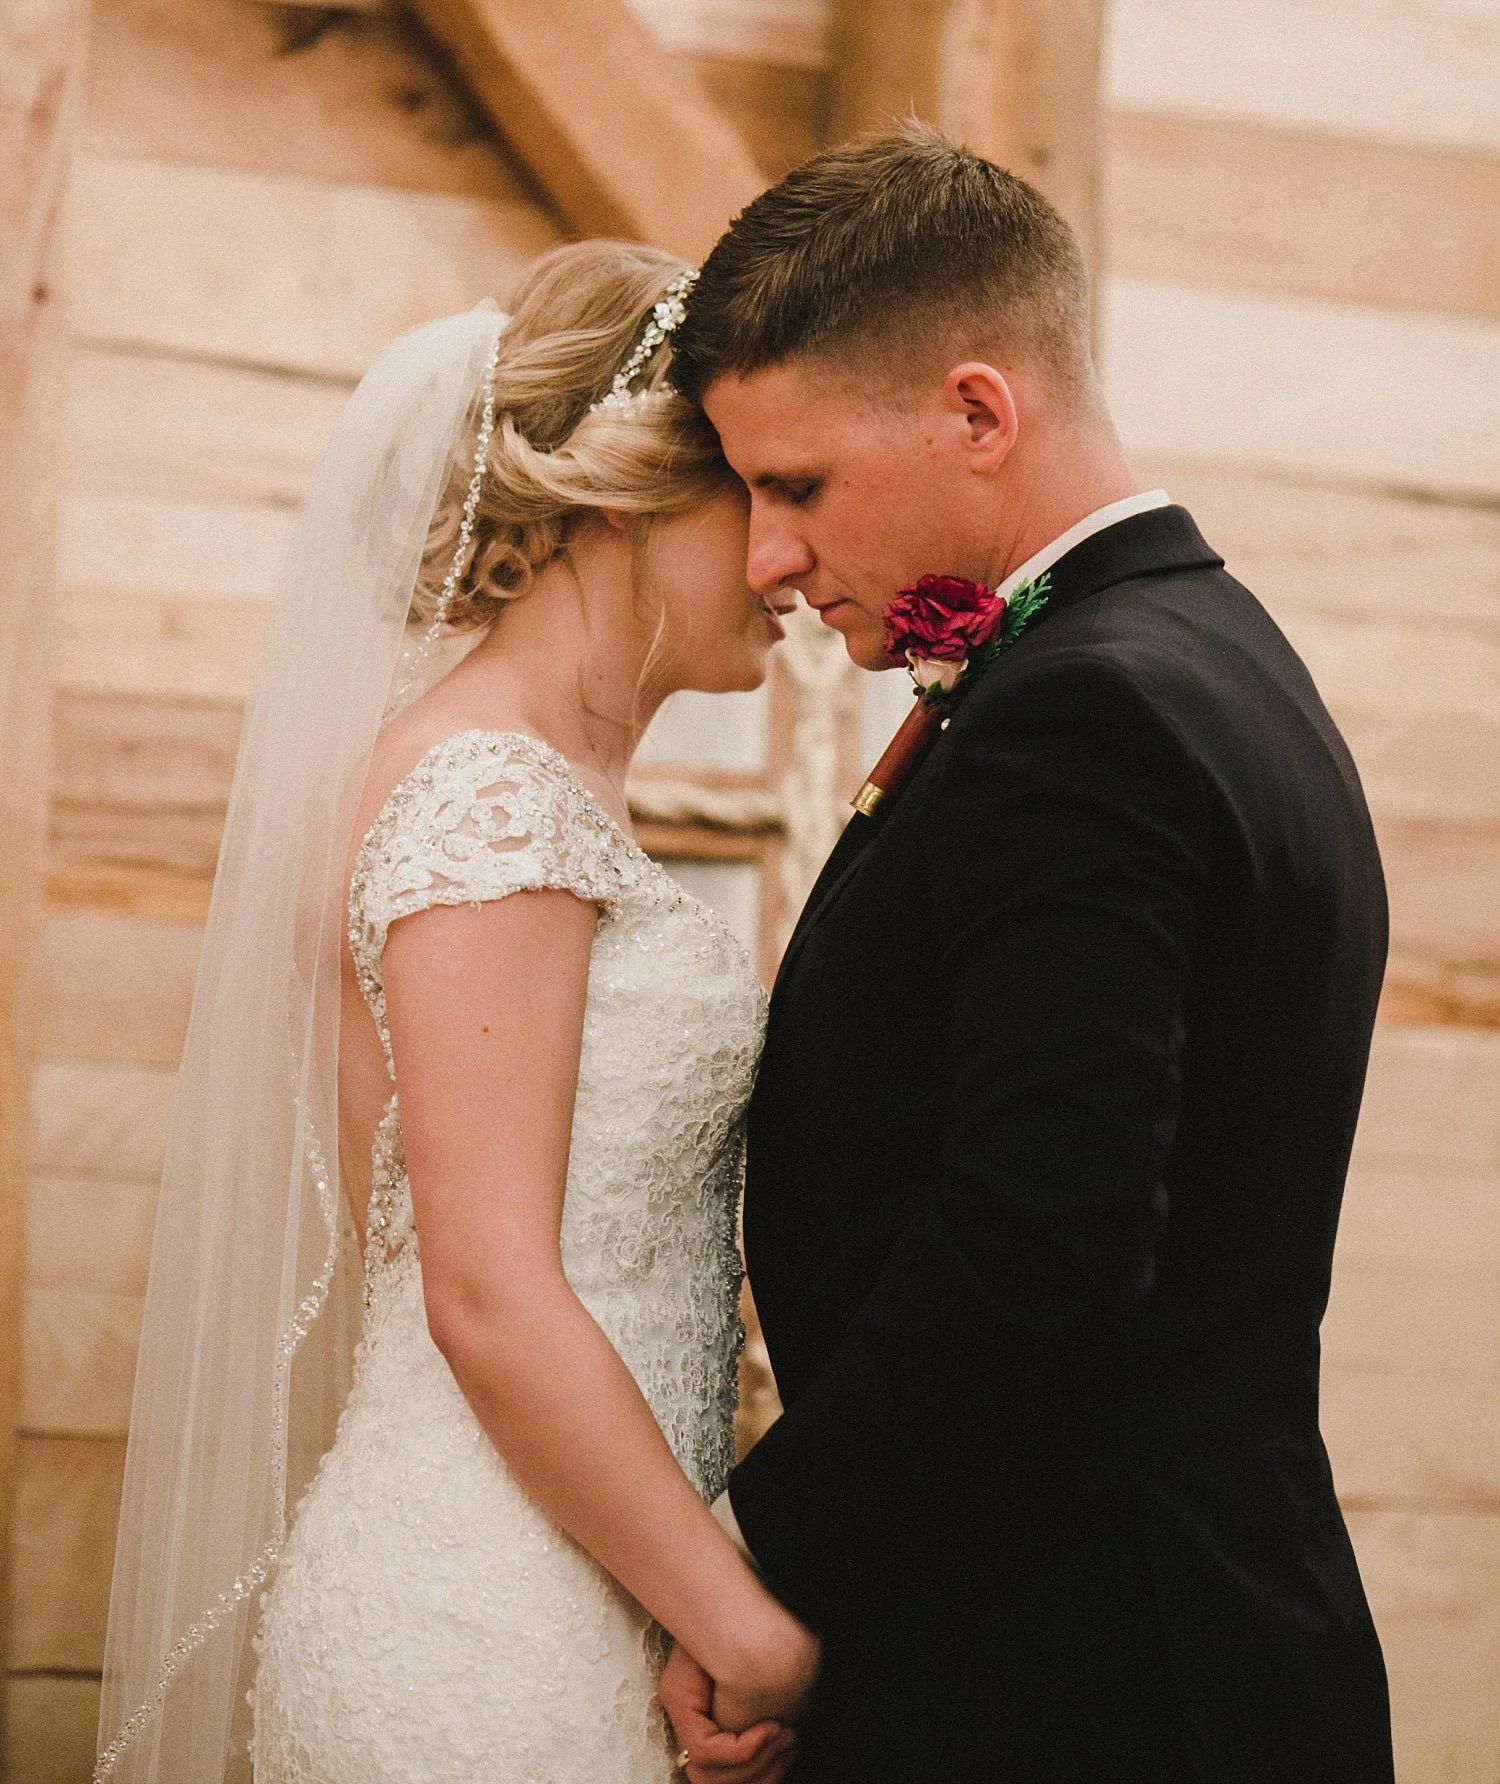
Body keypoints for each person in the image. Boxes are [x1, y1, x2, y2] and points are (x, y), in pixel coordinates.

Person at [660, 124, 1396, 1784]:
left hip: (1090, 1686)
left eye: (796, 485)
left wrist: (749, 1557)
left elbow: (1038, 1241)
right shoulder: (1207, 654)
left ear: (979, 413)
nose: (770, 555)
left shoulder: (1087, 713)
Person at [95, 241, 814, 1784]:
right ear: (625, 494)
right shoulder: (493, 798)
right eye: (757, 491)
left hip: (568, 1574)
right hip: (504, 1637)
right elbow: (481, 1295)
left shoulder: (511, 783)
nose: (789, 558)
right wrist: (751, 1634)